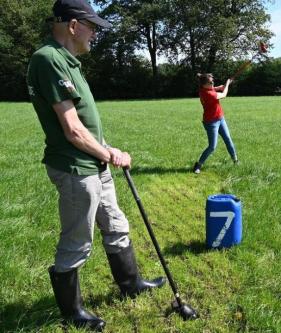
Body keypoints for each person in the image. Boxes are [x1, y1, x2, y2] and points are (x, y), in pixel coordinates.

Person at [27, 1, 165, 331]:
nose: (95, 33)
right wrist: (109, 155)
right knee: (77, 240)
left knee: (116, 224)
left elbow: (83, 126)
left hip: (93, 163)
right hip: (76, 168)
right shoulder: (48, 59)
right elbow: (72, 130)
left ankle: (131, 284)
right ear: (73, 26)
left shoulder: (68, 62)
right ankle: (72, 312)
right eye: (92, 26)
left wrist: (106, 149)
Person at [193, 73, 238, 174]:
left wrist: (220, 87)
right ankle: (198, 165)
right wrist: (227, 84)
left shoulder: (207, 89)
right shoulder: (208, 94)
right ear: (204, 85)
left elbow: (215, 88)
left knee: (228, 139)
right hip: (211, 122)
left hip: (220, 118)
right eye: (210, 82)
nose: (212, 83)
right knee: (212, 146)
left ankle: (235, 160)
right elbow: (224, 95)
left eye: (213, 81)